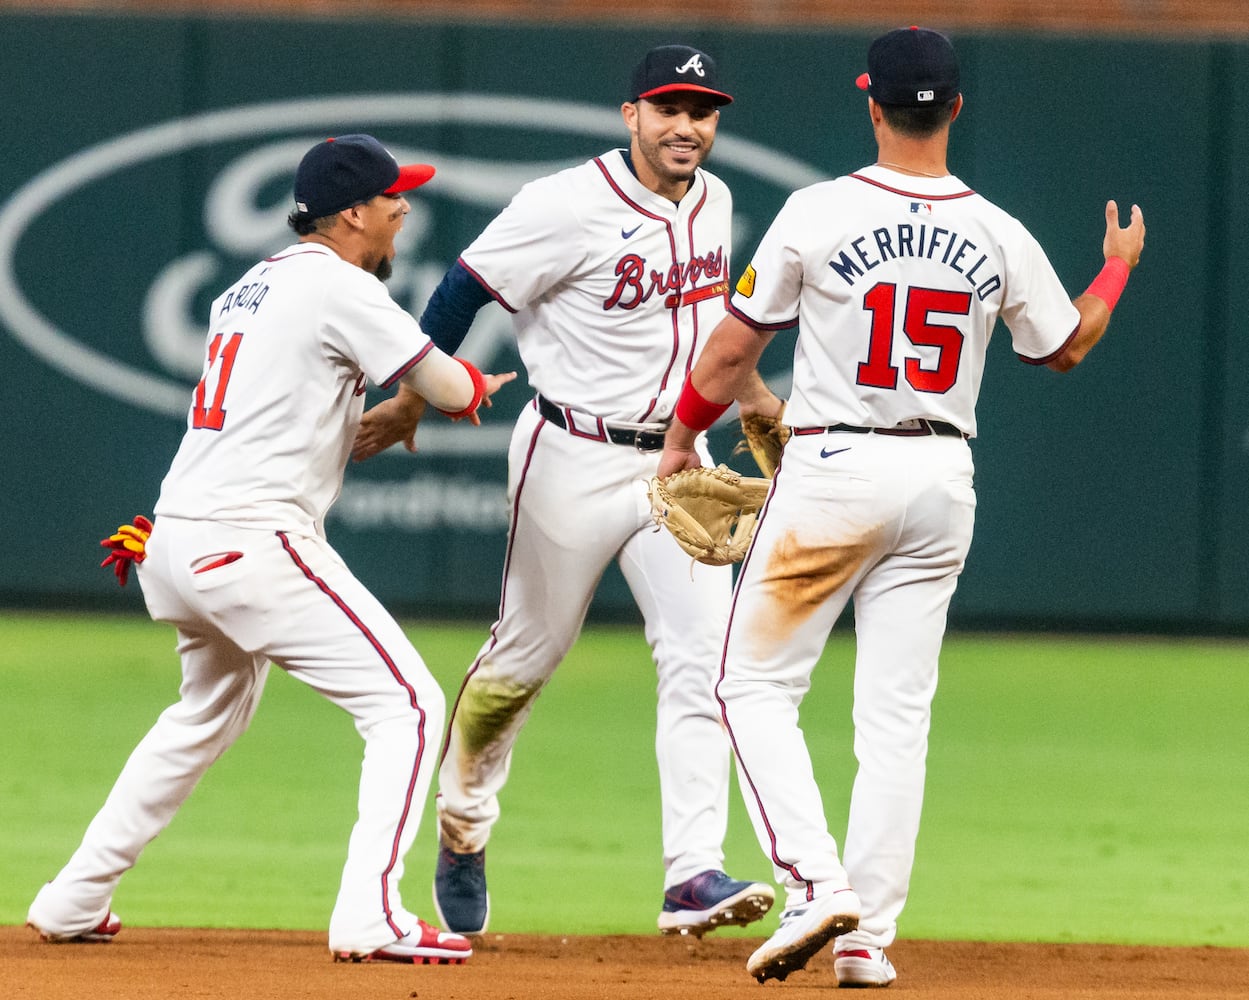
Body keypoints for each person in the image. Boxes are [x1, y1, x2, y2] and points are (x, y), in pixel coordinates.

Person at [656, 26, 1146, 987]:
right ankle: (866, 942)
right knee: (895, 720)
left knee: (749, 688)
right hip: (941, 480)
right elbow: (1065, 347)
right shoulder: (997, 228)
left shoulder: (819, 210)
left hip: (835, 468)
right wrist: (1117, 263)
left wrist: (681, 435)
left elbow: (728, 353)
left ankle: (814, 885)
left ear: (868, 100)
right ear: (955, 107)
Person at [26, 134, 515, 965]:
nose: (405, 209)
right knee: (408, 705)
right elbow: (445, 387)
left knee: (202, 715)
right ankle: (371, 913)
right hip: (250, 539)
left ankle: (75, 896)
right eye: (393, 198)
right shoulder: (337, 285)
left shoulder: (249, 285)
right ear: (353, 212)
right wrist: (475, 386)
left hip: (176, 537)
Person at [353, 44, 782, 938]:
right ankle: (463, 825)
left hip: (676, 456)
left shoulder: (717, 201)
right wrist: (409, 398)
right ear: (630, 115)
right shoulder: (561, 204)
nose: (686, 126)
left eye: (701, 111)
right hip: (570, 454)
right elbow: (461, 287)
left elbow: (712, 327)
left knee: (704, 657)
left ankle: (691, 873)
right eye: (667, 108)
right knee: (523, 661)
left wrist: (751, 403)